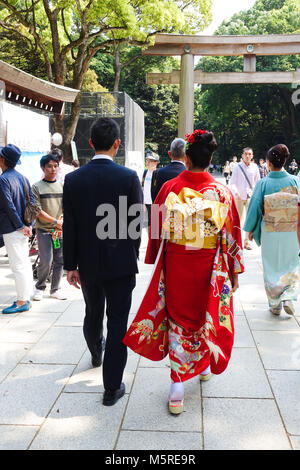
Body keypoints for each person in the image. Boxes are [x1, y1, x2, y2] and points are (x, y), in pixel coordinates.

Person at [124, 129, 244, 415]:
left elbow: (156, 225)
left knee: (178, 318)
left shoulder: (170, 188)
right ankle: (202, 366)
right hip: (208, 264)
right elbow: (231, 237)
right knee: (205, 314)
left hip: (178, 262)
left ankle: (177, 385)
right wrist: (234, 272)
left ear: (186, 159)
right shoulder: (222, 193)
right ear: (211, 158)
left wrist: (154, 253)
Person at [63, 117, 143, 407]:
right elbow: (136, 224)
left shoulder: (73, 179)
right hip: (120, 263)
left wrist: (70, 265)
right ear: (117, 144)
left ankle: (96, 351)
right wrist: (132, 253)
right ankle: (111, 388)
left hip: (88, 264)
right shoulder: (128, 177)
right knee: (118, 322)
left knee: (93, 311)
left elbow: (69, 226)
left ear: (90, 142)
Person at [244, 144, 300, 316]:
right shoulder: (295, 181)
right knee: (290, 263)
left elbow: (254, 208)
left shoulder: (263, 183)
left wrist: (250, 230)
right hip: (291, 230)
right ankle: (289, 295)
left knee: (271, 266)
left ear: (268, 163)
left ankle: (275, 303)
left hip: (270, 230)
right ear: (285, 161)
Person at [0, 144, 34, 314]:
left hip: (12, 228)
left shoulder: (3, 179)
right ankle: (26, 297)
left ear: (3, 159)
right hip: (23, 228)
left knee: (18, 265)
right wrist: (29, 226)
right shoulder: (23, 178)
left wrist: (21, 226)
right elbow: (33, 204)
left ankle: (22, 301)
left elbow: (8, 206)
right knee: (24, 263)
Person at [32, 153, 66, 301]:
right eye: (49, 166)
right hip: (44, 230)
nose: (53, 169)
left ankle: (55, 289)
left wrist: (61, 221)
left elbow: (66, 207)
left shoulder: (62, 185)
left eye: (55, 166)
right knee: (46, 260)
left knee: (60, 260)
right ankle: (40, 287)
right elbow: (37, 211)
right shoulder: (36, 187)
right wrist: (55, 222)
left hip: (59, 230)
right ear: (43, 168)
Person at [229, 147, 260, 250]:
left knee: (249, 220)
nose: (247, 156)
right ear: (242, 155)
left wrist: (255, 193)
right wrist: (236, 192)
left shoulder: (255, 167)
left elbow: (257, 182)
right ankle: (235, 241)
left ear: (252, 156)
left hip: (250, 196)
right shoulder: (237, 167)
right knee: (237, 220)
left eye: (249, 154)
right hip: (239, 196)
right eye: (245, 154)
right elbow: (232, 182)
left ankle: (247, 241)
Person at [151, 138, 186, 202]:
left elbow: (155, 200)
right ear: (186, 155)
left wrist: (155, 212)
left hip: (162, 211)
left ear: (169, 154)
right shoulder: (188, 174)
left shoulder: (158, 173)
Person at [141, 151, 159, 229]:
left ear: (156, 163)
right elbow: (142, 187)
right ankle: (149, 240)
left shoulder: (158, 174)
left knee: (154, 226)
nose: (148, 163)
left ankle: (153, 240)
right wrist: (143, 202)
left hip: (154, 204)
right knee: (148, 225)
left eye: (150, 161)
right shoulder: (145, 173)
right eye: (147, 160)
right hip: (146, 204)